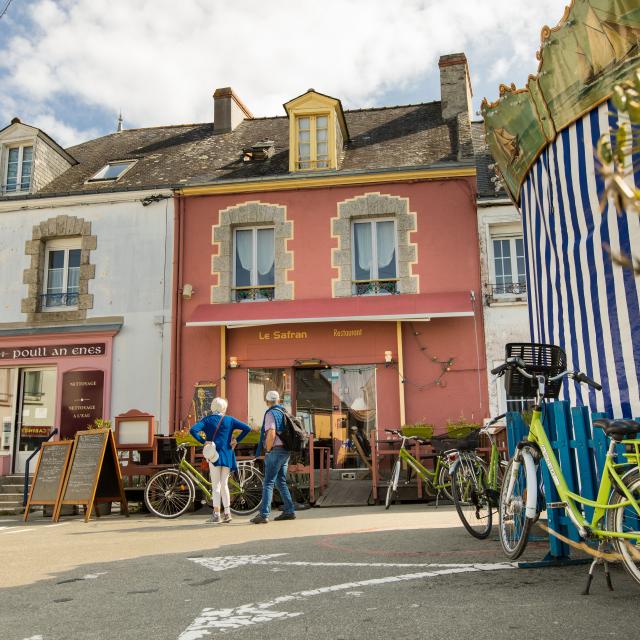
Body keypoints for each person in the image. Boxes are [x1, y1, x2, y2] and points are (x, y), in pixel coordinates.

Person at [189, 397, 251, 524]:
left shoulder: (207, 420)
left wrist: (203, 441)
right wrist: (236, 440)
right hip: (227, 454)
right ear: (224, 408)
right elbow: (247, 428)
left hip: (214, 455)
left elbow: (193, 430)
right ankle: (227, 513)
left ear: (212, 407)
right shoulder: (229, 420)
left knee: (216, 485)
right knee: (225, 484)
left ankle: (217, 514)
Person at [250, 390, 296, 524]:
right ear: (278, 400)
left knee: (268, 482)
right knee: (280, 481)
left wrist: (268, 450)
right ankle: (289, 510)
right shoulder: (284, 412)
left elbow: (271, 432)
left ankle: (264, 514)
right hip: (286, 451)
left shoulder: (271, 413)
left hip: (276, 451)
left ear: (267, 401)